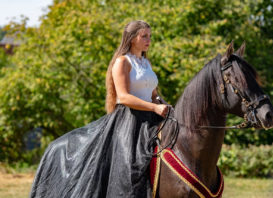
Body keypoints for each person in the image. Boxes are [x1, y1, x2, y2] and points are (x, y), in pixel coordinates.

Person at [29, 20, 170, 198]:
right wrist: (155, 108)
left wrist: (162, 103)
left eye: (149, 36)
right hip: (130, 121)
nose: (148, 40)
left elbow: (152, 93)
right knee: (131, 167)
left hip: (151, 116)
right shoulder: (122, 62)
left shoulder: (145, 63)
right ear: (132, 38)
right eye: (144, 36)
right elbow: (124, 96)